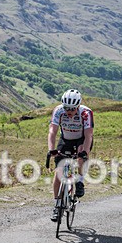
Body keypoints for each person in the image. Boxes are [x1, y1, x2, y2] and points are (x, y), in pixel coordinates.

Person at [48, 88, 94, 222]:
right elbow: (52, 131)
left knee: (81, 156)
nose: (69, 111)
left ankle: (79, 181)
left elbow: (88, 135)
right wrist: (51, 149)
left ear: (78, 106)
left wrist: (84, 152)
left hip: (81, 139)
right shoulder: (58, 111)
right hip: (66, 139)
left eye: (72, 109)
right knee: (58, 173)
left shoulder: (86, 113)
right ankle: (57, 205)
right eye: (67, 108)